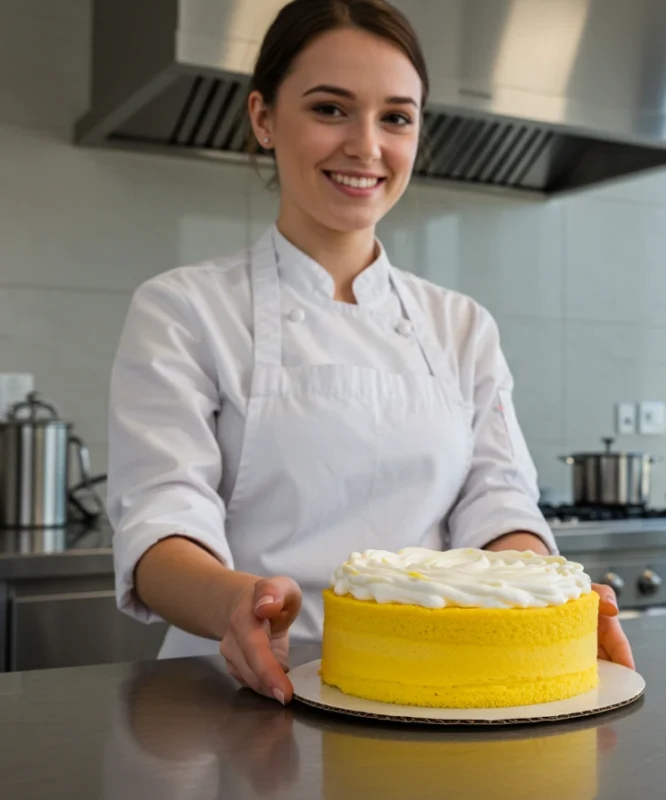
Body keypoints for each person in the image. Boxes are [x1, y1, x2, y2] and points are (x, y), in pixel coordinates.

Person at [106, 0, 633, 705]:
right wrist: (241, 603)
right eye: (330, 109)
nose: (366, 146)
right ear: (263, 118)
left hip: (433, 695)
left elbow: (497, 503)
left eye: (395, 117)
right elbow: (160, 521)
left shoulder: (461, 325)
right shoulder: (184, 309)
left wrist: (539, 598)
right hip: (240, 693)